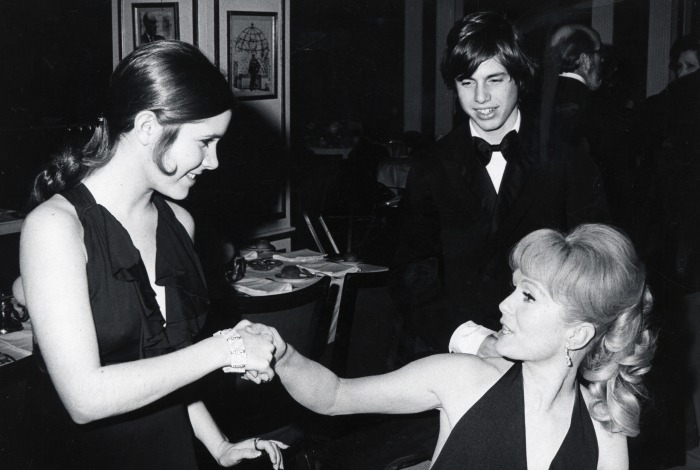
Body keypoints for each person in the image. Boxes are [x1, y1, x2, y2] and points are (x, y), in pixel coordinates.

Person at [19, 40, 287, 469]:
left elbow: (164, 362)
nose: (214, 161)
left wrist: (218, 445)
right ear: (147, 127)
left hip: (169, 451)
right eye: (205, 142)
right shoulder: (56, 227)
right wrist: (226, 349)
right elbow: (84, 399)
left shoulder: (180, 223)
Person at [264, 223, 656, 469]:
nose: (504, 305)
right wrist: (282, 354)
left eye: (529, 296)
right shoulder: (463, 378)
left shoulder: (604, 424)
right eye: (513, 288)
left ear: (577, 335)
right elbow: (334, 396)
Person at [391, 11, 609, 352]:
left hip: (547, 346)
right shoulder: (432, 165)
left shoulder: (567, 155)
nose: (480, 99)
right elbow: (413, 272)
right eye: (467, 82)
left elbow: (595, 258)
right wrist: (471, 339)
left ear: (519, 79)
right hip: (456, 346)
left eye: (494, 80)